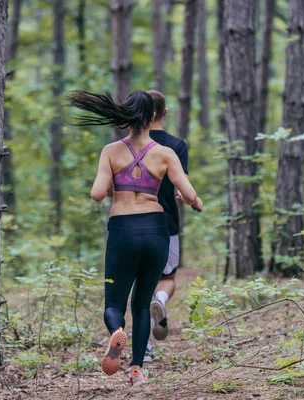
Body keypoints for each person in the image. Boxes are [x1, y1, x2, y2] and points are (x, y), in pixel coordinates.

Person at [67, 90, 203, 386]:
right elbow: (189, 194)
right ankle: (138, 370)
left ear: (126, 115)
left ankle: (117, 331)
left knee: (114, 304)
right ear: (153, 116)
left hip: (123, 229)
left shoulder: (111, 151)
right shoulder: (166, 152)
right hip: (156, 229)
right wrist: (195, 202)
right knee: (142, 304)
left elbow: (97, 193)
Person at [144, 90, 202, 361]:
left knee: (140, 285)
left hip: (131, 223)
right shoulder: (175, 146)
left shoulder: (127, 144)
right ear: (164, 113)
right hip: (165, 222)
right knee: (167, 279)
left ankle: (143, 347)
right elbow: (184, 188)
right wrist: (193, 199)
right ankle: (162, 302)